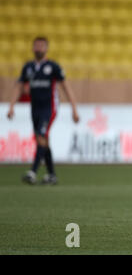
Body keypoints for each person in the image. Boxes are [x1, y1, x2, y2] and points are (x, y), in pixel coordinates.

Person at [7, 37, 80, 185]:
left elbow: (66, 87)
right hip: (35, 109)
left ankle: (33, 171)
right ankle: (52, 175)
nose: (38, 48)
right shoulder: (28, 67)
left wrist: (74, 108)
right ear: (33, 48)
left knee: (41, 136)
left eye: (41, 46)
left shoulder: (53, 66)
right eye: (36, 45)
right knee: (43, 140)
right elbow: (19, 86)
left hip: (50, 108)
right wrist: (12, 106)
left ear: (46, 48)